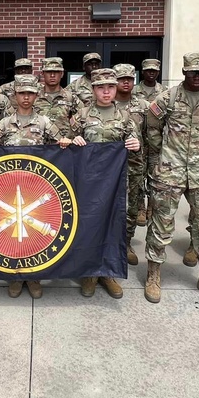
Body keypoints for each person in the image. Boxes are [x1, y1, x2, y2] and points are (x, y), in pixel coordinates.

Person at [143, 53, 199, 306]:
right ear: (184, 71)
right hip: (170, 172)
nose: (197, 76)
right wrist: (163, 154)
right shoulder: (168, 97)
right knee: (161, 223)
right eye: (192, 72)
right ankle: (153, 275)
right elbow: (152, 125)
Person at [0, 74, 69, 300]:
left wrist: (68, 143)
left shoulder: (44, 122)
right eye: (22, 93)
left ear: (36, 95)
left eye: (30, 93)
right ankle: (15, 276)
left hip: (35, 188)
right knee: (13, 238)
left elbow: (60, 143)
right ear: (15, 96)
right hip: (8, 187)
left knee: (31, 237)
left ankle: (33, 276)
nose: (26, 97)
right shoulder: (4, 123)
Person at [70, 68, 140, 299]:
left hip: (114, 185)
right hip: (87, 183)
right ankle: (89, 272)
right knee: (87, 225)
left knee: (112, 225)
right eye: (101, 87)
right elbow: (65, 149)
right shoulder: (81, 116)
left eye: (110, 87)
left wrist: (135, 145)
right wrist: (73, 140)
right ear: (93, 90)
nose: (107, 91)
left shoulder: (125, 116)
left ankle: (107, 272)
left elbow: (137, 146)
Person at [113, 63, 148, 266]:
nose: (126, 82)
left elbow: (151, 136)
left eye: (130, 78)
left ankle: (125, 244)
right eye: (121, 79)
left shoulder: (143, 106)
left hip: (134, 165)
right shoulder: (106, 103)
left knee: (132, 208)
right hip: (108, 170)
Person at [132, 58, 166, 225]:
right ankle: (140, 208)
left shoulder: (164, 91)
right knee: (138, 177)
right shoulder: (134, 90)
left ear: (158, 72)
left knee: (155, 177)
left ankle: (152, 208)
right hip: (138, 143)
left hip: (155, 143)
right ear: (143, 71)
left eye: (154, 70)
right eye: (148, 70)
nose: (151, 73)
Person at [34, 57, 79, 137]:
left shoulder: (70, 97)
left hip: (63, 145)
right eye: (48, 72)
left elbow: (83, 118)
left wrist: (72, 136)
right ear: (42, 73)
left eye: (56, 72)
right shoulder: (34, 97)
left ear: (62, 74)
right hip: (40, 145)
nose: (52, 75)